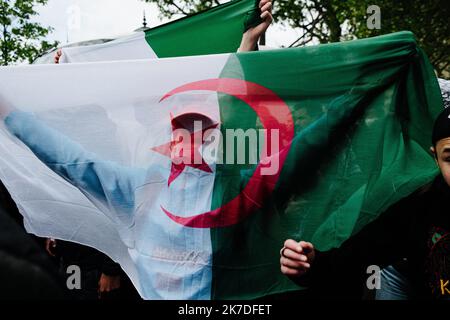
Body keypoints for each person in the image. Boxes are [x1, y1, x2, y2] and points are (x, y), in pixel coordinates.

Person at [0, 2, 273, 299]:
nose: (186, 134)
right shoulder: (139, 186)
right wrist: (22, 104)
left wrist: (247, 44)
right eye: (180, 124)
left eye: (198, 124)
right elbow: (69, 157)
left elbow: (236, 111)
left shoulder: (233, 186)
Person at [279, 108, 450, 300]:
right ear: (435, 158)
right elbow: (356, 258)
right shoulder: (418, 208)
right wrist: (310, 264)